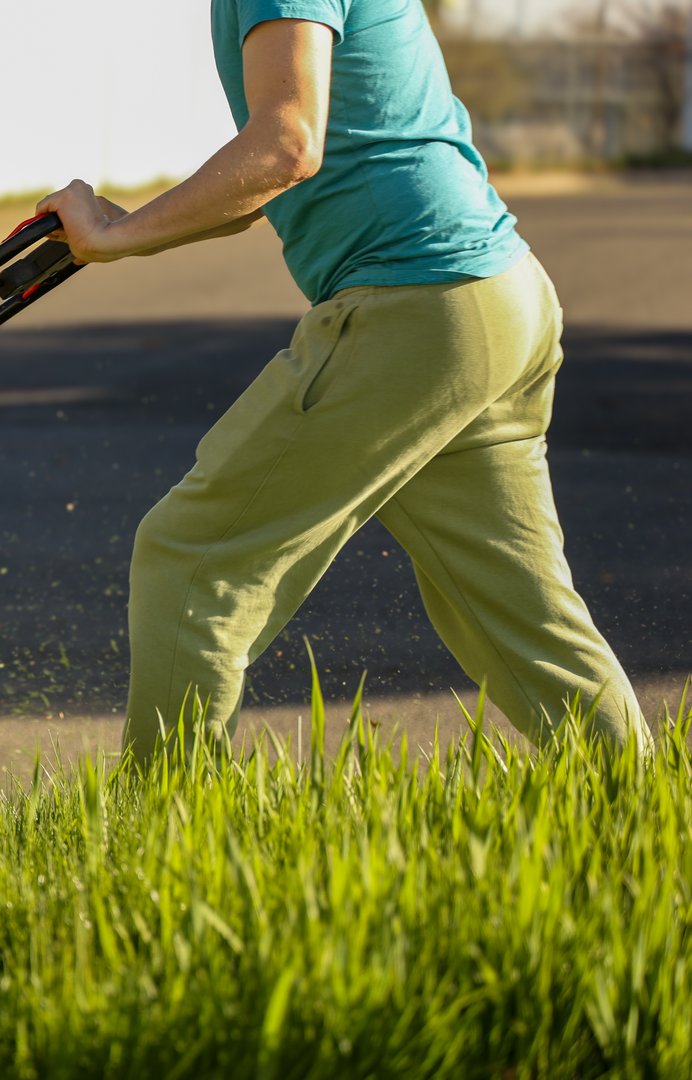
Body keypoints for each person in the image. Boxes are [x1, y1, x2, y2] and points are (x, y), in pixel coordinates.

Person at [36, 0, 652, 760]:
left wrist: (115, 236)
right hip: (493, 298)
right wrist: (122, 234)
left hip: (414, 306)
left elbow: (288, 146)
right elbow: (270, 175)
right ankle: (639, 807)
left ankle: (160, 840)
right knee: (521, 614)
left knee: (191, 560)